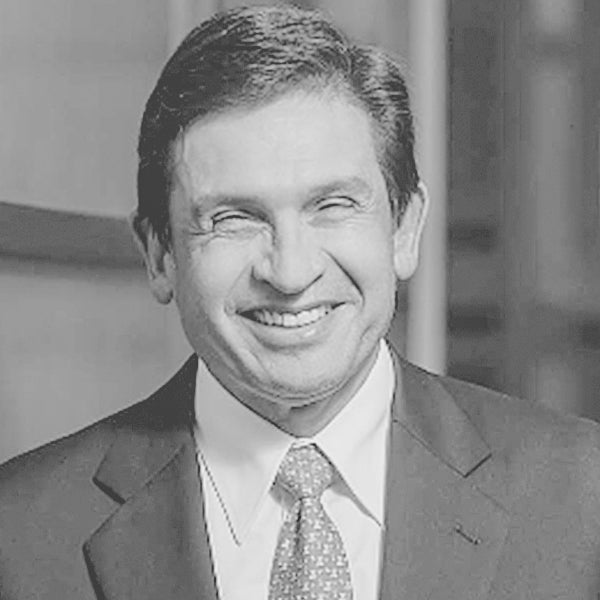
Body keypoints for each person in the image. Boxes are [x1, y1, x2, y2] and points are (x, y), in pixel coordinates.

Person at [1, 5, 600, 600]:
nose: (290, 273)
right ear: (160, 254)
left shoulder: (580, 498)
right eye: (234, 218)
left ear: (404, 229)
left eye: (333, 206)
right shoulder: (20, 535)